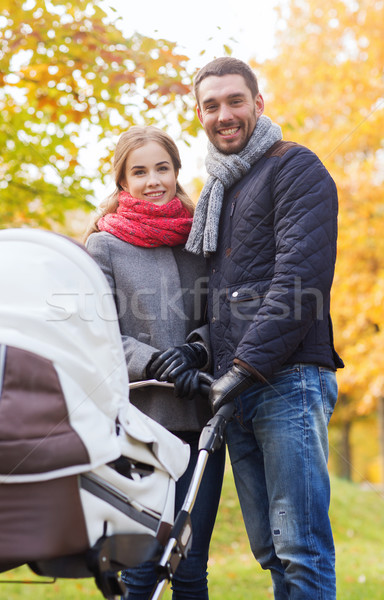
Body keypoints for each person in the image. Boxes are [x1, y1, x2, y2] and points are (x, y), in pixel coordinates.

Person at [185, 57, 344, 599]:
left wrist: (246, 367)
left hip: (288, 382)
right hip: (238, 392)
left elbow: (301, 280)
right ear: (199, 115)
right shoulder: (218, 192)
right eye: (211, 105)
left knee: (302, 550)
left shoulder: (293, 167)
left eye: (235, 101)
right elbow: (220, 302)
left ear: (259, 103)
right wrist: (206, 358)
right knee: (273, 553)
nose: (224, 114)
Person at [84, 125, 225, 600]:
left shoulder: (200, 238)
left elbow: (221, 316)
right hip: (136, 427)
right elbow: (96, 334)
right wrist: (155, 363)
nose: (153, 180)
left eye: (161, 168)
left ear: (177, 171)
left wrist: (196, 349)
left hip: (199, 422)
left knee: (190, 565)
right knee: (142, 564)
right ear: (122, 181)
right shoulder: (103, 245)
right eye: (139, 171)